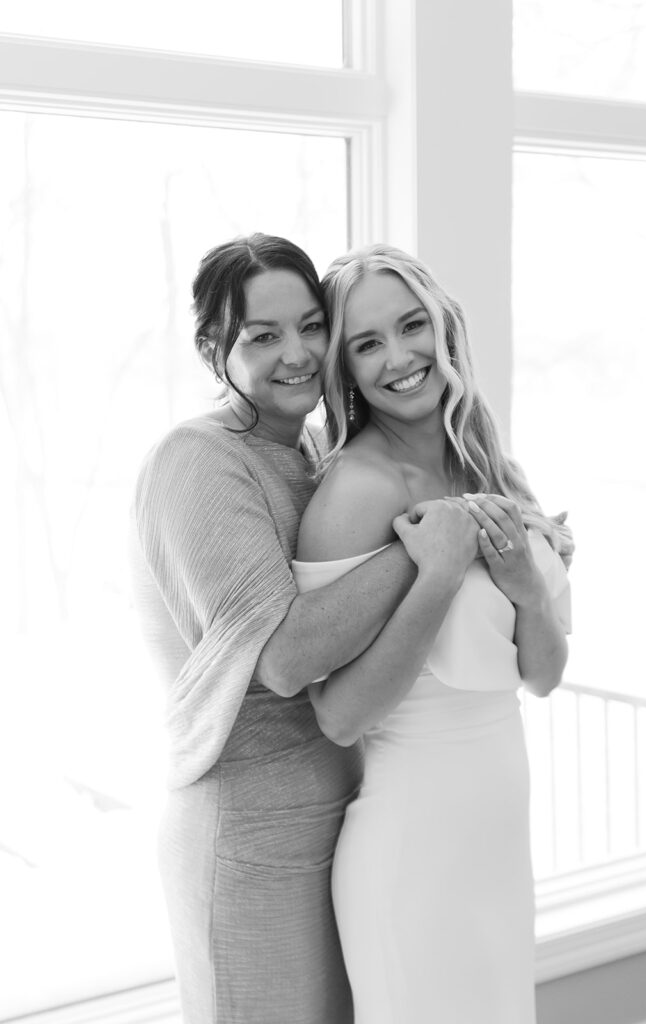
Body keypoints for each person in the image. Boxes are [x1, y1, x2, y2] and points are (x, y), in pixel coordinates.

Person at [129, 233, 483, 1024]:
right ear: (212, 350)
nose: (296, 353)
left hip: (346, 811)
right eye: (262, 336)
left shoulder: (314, 450)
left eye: (311, 326)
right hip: (251, 831)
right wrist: (427, 541)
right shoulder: (198, 459)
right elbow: (285, 660)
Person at [293, 243, 572, 1024]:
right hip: (413, 843)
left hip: (496, 835)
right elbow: (338, 716)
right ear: (343, 371)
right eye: (366, 343)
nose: (399, 357)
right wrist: (438, 573)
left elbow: (542, 677)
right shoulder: (356, 490)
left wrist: (523, 586)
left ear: (442, 326)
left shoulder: (485, 463)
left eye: (410, 325)